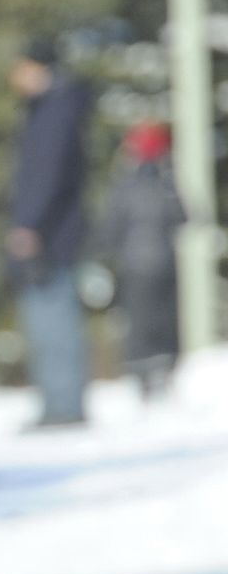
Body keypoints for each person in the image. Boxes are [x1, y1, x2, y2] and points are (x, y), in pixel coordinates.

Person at [5, 36, 94, 428]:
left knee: (52, 319)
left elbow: (46, 175)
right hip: (53, 230)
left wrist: (29, 223)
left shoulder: (54, 112)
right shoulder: (53, 109)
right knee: (48, 318)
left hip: (50, 235)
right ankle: (59, 401)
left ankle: (63, 404)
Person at [100, 121, 184, 400]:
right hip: (166, 265)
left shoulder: (125, 186)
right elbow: (185, 216)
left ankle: (143, 375)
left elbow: (111, 226)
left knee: (139, 323)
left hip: (134, 266)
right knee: (165, 321)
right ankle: (164, 369)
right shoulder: (167, 183)